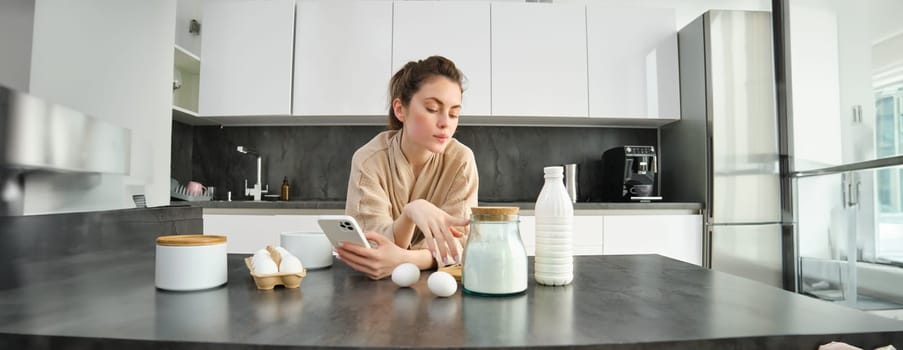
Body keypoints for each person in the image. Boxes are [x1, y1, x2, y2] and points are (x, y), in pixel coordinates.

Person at [338, 56, 479, 280]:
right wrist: (411, 213)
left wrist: (403, 259)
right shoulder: (368, 161)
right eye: (433, 109)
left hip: (438, 292)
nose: (446, 123)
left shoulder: (461, 161)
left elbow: (461, 246)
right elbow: (370, 247)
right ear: (400, 110)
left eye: (454, 113)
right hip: (374, 297)